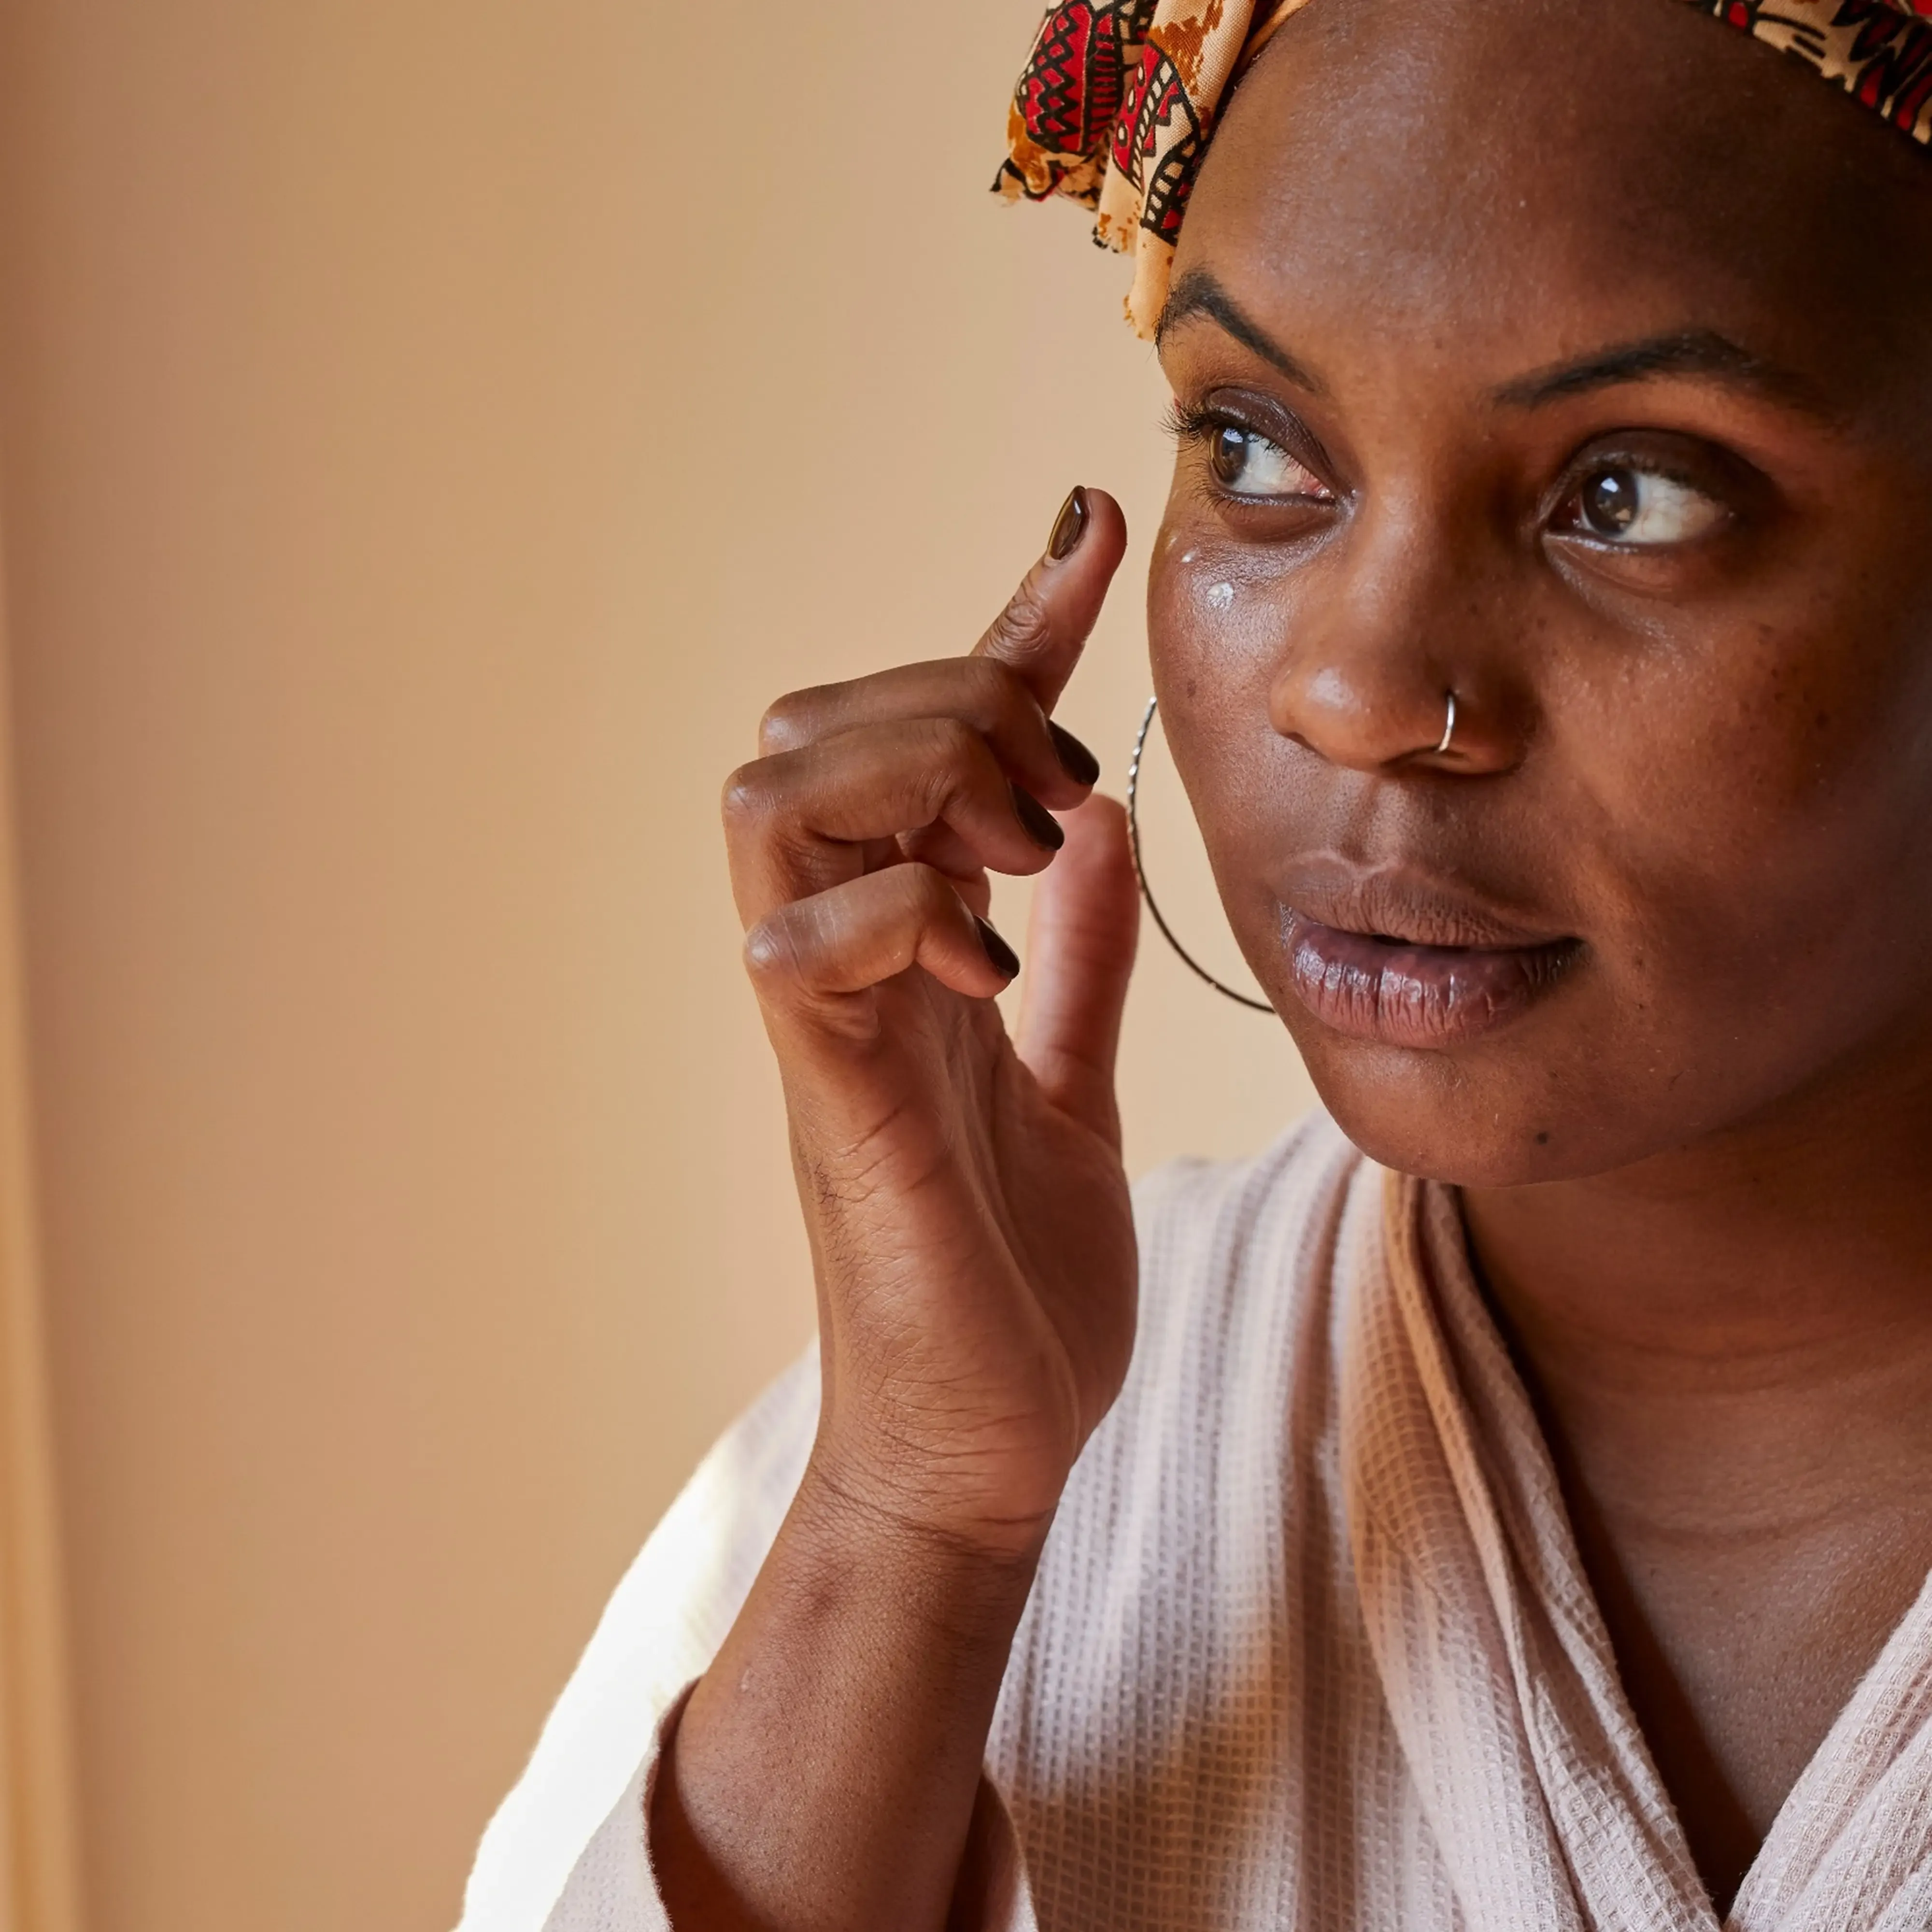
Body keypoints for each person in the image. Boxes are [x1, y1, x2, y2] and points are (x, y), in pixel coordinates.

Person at [457, 0, 1932, 1925]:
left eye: (1629, 494)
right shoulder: (960, 1481)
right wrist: (917, 1517)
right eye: (1252, 444)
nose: (1357, 688)